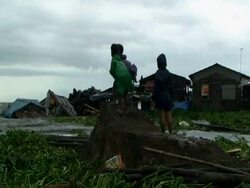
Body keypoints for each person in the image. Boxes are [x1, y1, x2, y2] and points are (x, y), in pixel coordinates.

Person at [152, 53, 174, 133]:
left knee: (162, 115)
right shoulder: (168, 73)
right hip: (168, 97)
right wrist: (172, 96)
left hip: (160, 97)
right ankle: (171, 132)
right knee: (169, 114)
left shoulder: (157, 74)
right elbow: (171, 87)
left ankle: (163, 132)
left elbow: (156, 88)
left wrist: (154, 97)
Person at [109, 44, 133, 113]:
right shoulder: (121, 60)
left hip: (121, 78)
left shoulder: (113, 59)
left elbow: (112, 70)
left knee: (120, 94)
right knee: (125, 94)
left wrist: (113, 75)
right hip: (128, 78)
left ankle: (120, 108)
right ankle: (126, 109)